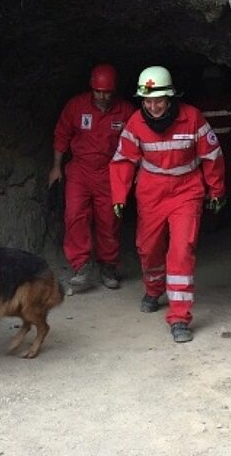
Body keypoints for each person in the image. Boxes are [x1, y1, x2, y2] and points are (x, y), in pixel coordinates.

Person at [109, 66, 225, 343]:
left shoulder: (192, 118)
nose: (153, 106)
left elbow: (212, 154)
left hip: (187, 190)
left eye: (158, 100)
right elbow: (123, 159)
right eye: (147, 101)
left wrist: (216, 189)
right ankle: (154, 288)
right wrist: (119, 195)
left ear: (170, 97)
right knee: (148, 248)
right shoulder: (136, 122)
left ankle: (180, 317)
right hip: (151, 191)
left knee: (182, 249)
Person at [48, 64, 135, 291]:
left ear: (114, 90)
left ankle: (108, 266)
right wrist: (56, 167)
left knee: (109, 220)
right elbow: (61, 134)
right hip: (80, 170)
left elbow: (138, 141)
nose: (103, 96)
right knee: (74, 215)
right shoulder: (76, 106)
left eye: (107, 92)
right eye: (98, 91)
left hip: (110, 172)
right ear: (91, 88)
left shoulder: (125, 111)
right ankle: (81, 266)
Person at [193, 64, 231, 229]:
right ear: (204, 83)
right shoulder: (198, 105)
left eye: (216, 81)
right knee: (204, 187)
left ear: (222, 82)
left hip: (226, 152)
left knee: (226, 185)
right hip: (203, 156)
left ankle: (220, 217)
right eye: (209, 82)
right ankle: (211, 220)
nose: (213, 85)